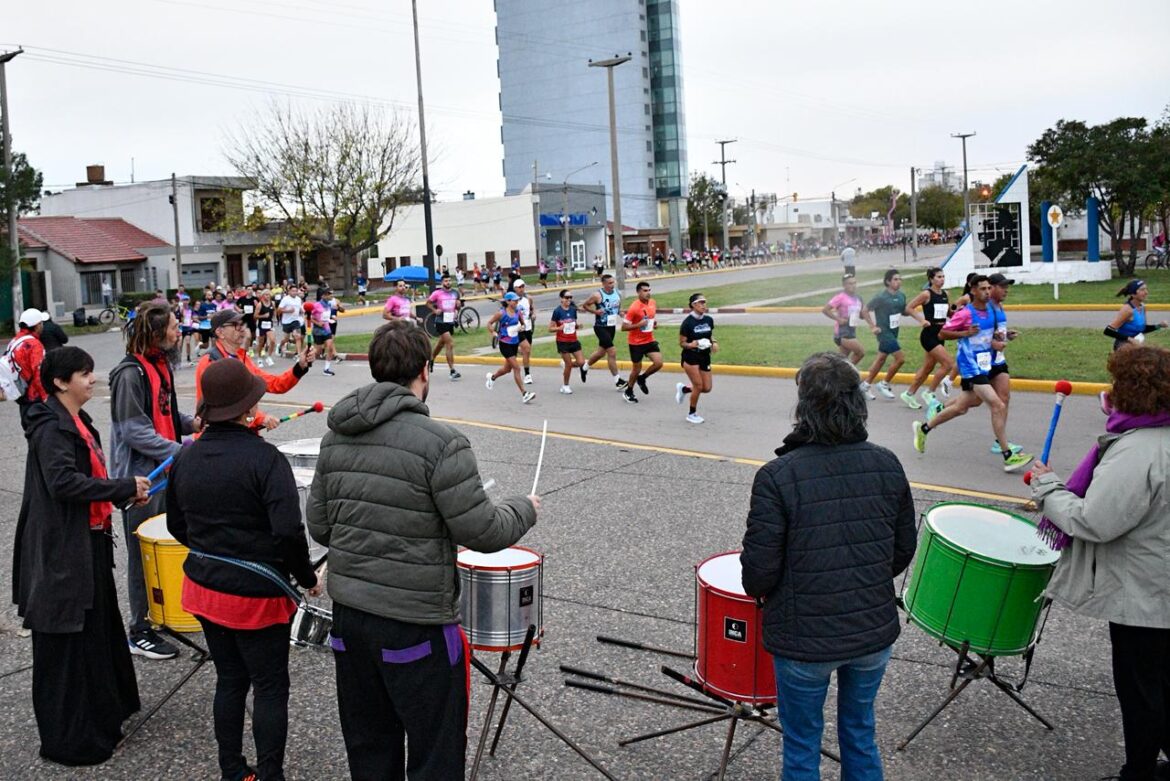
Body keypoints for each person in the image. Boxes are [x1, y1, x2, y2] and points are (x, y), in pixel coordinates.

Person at [306, 319, 539, 780]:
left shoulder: (336, 436)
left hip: (351, 621)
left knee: (370, 747)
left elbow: (320, 526)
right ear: (424, 371)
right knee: (436, 751)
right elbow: (483, 531)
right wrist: (524, 508)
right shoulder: (442, 443)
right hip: (416, 626)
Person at [741, 352, 916, 781]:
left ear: (804, 407)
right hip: (872, 632)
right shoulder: (887, 463)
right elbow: (902, 551)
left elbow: (758, 575)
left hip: (804, 641)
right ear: (858, 403)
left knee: (802, 744)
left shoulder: (777, 475)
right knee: (860, 732)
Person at [168, 358, 321, 781]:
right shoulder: (265, 459)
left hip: (204, 587)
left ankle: (232, 770)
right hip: (256, 596)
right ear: (248, 408)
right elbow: (288, 531)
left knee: (230, 678)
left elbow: (176, 523)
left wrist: (213, 548)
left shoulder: (187, 456)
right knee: (269, 685)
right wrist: (308, 578)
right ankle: (270, 773)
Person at [1030, 345, 1170, 781]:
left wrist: (1048, 488)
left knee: (1142, 692)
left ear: (1132, 391)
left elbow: (1095, 521)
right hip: (1159, 587)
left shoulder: (1139, 450)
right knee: (1159, 686)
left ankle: (1138, 773)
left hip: (1146, 597)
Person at [14, 347, 151, 766]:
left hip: (90, 543)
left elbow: (90, 478)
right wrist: (121, 487)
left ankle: (103, 717)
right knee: (67, 644)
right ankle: (70, 740)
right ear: (60, 382)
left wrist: (123, 493)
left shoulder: (78, 419)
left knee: (96, 635)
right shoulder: (50, 427)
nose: (92, 379)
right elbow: (63, 483)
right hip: (62, 551)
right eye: (84, 373)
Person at [109, 302, 200, 661]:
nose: (179, 333)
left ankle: (163, 611)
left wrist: (193, 424)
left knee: (170, 543)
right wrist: (181, 451)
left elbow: (165, 414)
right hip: (141, 480)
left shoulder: (160, 365)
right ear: (157, 333)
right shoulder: (129, 374)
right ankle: (139, 628)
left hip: (166, 471)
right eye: (175, 327)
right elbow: (133, 431)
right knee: (141, 555)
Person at [911, 275, 1033, 472]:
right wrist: (964, 333)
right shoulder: (966, 313)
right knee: (997, 405)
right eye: (983, 289)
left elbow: (987, 336)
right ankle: (1008, 455)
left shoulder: (991, 311)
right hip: (970, 366)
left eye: (988, 288)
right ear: (973, 291)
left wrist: (1001, 337)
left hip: (986, 364)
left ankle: (924, 428)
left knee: (962, 407)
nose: (987, 292)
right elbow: (943, 333)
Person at [195, 309, 312, 430]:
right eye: (236, 325)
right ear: (220, 332)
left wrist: (300, 366)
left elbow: (275, 384)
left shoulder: (242, 358)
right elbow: (221, 407)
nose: (242, 329)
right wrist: (260, 418)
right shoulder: (210, 361)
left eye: (242, 324)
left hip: (242, 432)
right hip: (218, 434)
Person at [860, 269, 924, 401]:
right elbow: (865, 310)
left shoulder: (901, 296)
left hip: (894, 332)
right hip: (884, 332)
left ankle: (865, 386)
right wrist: (872, 326)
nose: (898, 281)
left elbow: (903, 311)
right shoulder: (881, 297)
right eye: (895, 279)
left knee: (881, 359)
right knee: (900, 359)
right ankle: (884, 384)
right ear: (888, 282)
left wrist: (915, 313)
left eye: (900, 279)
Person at [901, 267, 954, 411]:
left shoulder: (946, 294)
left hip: (940, 335)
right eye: (938, 277)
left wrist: (960, 312)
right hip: (929, 335)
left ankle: (909, 394)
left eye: (943, 276)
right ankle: (929, 393)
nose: (942, 279)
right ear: (931, 279)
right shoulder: (926, 294)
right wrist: (921, 320)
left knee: (928, 368)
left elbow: (949, 312)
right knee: (948, 364)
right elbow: (909, 308)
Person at [986, 273, 1024, 456]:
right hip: (984, 361)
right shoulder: (985, 308)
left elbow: (996, 331)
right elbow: (978, 336)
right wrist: (993, 343)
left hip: (999, 359)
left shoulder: (999, 306)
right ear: (991, 287)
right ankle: (931, 421)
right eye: (1002, 287)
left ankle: (999, 442)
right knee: (968, 402)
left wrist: (1006, 334)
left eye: (1007, 287)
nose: (1006, 290)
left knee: (1004, 398)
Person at [485, 292, 535, 404]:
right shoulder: (501, 313)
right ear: (508, 301)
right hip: (505, 344)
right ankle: (524, 394)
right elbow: (489, 323)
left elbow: (523, 324)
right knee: (517, 368)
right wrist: (493, 332)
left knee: (507, 369)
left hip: (514, 343)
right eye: (514, 300)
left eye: (517, 300)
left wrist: (521, 327)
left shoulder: (518, 312)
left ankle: (492, 377)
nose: (517, 302)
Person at [675, 293, 717, 424]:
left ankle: (684, 389)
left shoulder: (709, 320)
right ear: (693, 305)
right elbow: (682, 343)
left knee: (707, 388)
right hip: (691, 356)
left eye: (705, 302)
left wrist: (714, 342)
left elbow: (710, 335)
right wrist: (691, 345)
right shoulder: (687, 323)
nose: (704, 305)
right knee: (698, 385)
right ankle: (691, 413)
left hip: (704, 356)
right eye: (701, 302)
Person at [581, 273, 628, 389]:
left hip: (611, 327)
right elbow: (585, 305)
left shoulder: (617, 293)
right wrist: (595, 312)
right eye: (610, 283)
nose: (612, 285)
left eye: (613, 282)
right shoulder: (597, 295)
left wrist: (621, 313)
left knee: (601, 353)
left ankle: (584, 367)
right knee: (612, 351)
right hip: (600, 327)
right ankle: (618, 381)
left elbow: (618, 308)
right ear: (604, 284)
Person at [620, 281, 662, 404]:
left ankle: (642, 378)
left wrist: (653, 323)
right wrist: (638, 325)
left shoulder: (652, 303)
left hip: (649, 340)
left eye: (649, 290)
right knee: (636, 369)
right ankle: (628, 391)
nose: (648, 293)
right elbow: (623, 327)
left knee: (658, 363)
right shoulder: (634, 307)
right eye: (645, 291)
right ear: (638, 292)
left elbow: (650, 317)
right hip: (636, 343)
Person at [7, 308, 50, 426]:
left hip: (21, 393)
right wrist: (45, 396)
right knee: (41, 428)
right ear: (37, 326)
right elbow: (39, 372)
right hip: (34, 396)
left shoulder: (14, 341)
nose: (42, 326)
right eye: (41, 323)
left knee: (29, 427)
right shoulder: (34, 345)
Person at [822, 275, 872, 366]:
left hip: (852, 331)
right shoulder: (840, 297)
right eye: (850, 283)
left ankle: (833, 372)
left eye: (854, 283)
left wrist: (865, 313)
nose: (853, 285)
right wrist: (838, 319)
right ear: (844, 285)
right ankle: (847, 371)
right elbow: (825, 310)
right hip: (842, 333)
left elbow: (861, 315)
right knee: (860, 352)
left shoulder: (858, 298)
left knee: (840, 361)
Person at [1105, 279, 1168, 351]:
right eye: (1142, 290)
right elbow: (1108, 331)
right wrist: (1130, 339)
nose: (1146, 292)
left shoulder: (1142, 307)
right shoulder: (1127, 310)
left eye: (1146, 289)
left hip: (1136, 345)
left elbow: (1142, 329)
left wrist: (1159, 325)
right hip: (1123, 347)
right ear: (1133, 294)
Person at [427, 273, 463, 381]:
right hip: (440, 322)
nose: (448, 282)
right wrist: (435, 310)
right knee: (450, 344)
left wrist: (458, 308)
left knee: (441, 343)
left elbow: (458, 306)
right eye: (446, 281)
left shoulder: (455, 293)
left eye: (449, 280)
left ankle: (431, 358)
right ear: (442, 282)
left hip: (450, 321)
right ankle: (452, 371)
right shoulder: (437, 293)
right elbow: (428, 303)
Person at [549, 289, 586, 394]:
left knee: (581, 362)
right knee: (569, 365)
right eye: (567, 297)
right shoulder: (557, 311)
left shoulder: (573, 310)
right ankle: (565, 386)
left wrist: (578, 326)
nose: (569, 299)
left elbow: (573, 324)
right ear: (561, 298)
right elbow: (550, 328)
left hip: (573, 340)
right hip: (562, 341)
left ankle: (565, 365)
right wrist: (558, 328)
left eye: (570, 297)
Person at [513, 279, 535, 384]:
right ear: (515, 288)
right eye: (519, 287)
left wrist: (533, 314)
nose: (521, 289)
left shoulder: (529, 298)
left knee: (527, 351)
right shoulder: (512, 300)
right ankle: (527, 374)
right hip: (517, 329)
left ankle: (526, 372)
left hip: (528, 328)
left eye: (523, 287)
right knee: (526, 349)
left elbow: (532, 309)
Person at [308, 294, 337, 376]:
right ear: (323, 296)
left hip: (327, 330)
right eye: (329, 294)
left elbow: (326, 316)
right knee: (318, 351)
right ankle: (305, 362)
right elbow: (309, 317)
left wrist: (332, 317)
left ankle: (326, 369)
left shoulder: (328, 304)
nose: (331, 295)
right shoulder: (316, 305)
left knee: (330, 347)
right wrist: (318, 323)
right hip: (318, 331)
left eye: (332, 294)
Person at [277, 285, 305, 358]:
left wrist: (302, 311)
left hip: (295, 320)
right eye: (293, 291)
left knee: (297, 336)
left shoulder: (298, 299)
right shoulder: (285, 299)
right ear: (289, 291)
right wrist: (288, 311)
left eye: (296, 291)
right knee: (286, 339)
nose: (294, 292)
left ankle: (298, 354)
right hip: (286, 321)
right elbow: (278, 310)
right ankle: (280, 345)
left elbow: (299, 308)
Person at [254, 289, 277, 367]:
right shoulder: (259, 305)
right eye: (266, 295)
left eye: (269, 294)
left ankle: (269, 357)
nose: (268, 296)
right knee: (261, 343)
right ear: (263, 296)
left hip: (269, 325)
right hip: (261, 326)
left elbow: (274, 311)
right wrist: (263, 316)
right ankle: (259, 358)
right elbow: (255, 316)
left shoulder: (272, 303)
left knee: (273, 340)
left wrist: (274, 317)